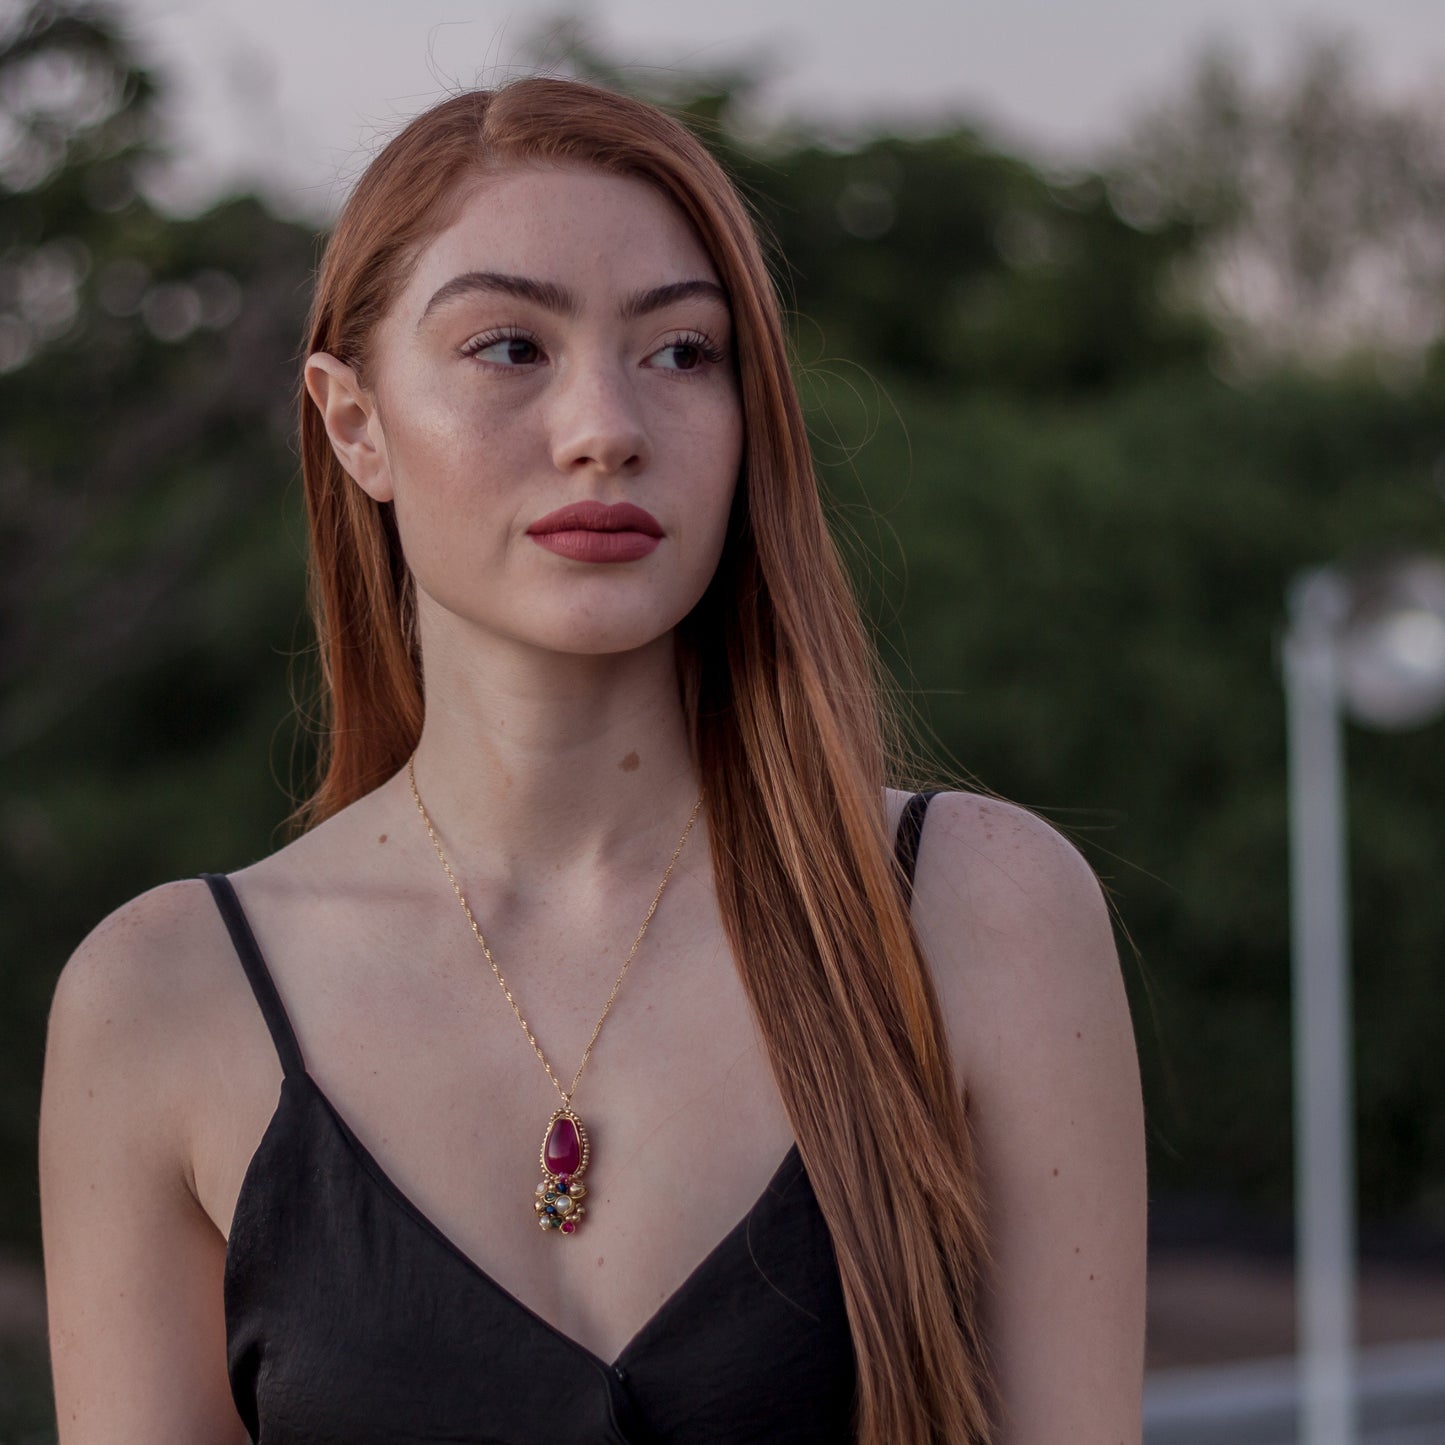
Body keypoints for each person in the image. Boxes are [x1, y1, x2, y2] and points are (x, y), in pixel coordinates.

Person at [38, 78, 1146, 1444]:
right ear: (352, 422)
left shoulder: (975, 912)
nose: (604, 427)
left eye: (681, 351)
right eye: (509, 346)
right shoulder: (164, 997)